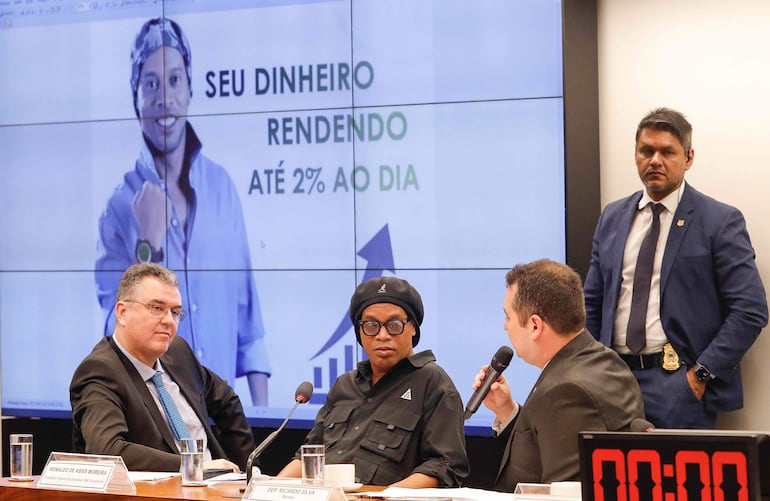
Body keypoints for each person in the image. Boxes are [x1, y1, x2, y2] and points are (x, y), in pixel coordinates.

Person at [94, 17, 270, 406]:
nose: (164, 97)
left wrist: (264, 424)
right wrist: (147, 244)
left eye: (174, 80)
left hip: (224, 424)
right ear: (135, 96)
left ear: (189, 88)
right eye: (151, 84)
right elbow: (113, 331)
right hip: (158, 423)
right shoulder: (119, 206)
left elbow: (250, 331)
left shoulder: (222, 187)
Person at [583, 107, 768, 429]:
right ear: (636, 154)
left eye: (667, 151)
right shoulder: (612, 217)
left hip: (677, 384)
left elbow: (750, 310)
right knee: (611, 477)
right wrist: (592, 370)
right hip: (613, 380)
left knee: (674, 479)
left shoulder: (719, 221)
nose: (655, 160)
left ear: (688, 158)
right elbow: (592, 302)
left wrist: (700, 376)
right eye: (646, 151)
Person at [277, 277, 469, 487]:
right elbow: (309, 457)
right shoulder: (344, 384)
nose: (382, 335)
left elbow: (445, 467)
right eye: (371, 325)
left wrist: (380, 497)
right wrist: (266, 490)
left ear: (413, 327)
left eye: (394, 325)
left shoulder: (432, 382)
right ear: (360, 331)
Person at [473, 259, 645, 489]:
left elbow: (563, 495)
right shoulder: (604, 360)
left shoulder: (566, 391)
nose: (505, 326)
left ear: (535, 326)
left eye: (508, 317)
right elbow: (543, 448)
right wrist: (507, 412)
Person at [71, 263, 256, 472]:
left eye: (176, 312)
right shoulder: (100, 371)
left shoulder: (178, 352)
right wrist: (195, 466)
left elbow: (227, 402)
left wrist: (248, 472)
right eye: (157, 308)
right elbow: (107, 451)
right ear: (122, 313)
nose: (169, 321)